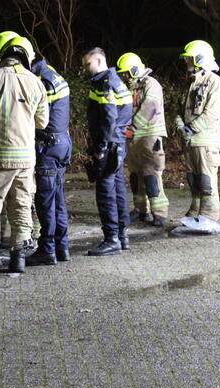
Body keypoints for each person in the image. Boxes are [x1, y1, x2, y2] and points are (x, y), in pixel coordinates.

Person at [0, 36, 49, 275]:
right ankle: (18, 260)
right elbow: (42, 122)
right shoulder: (36, 82)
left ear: (3, 55)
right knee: (21, 206)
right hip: (26, 159)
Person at [82, 47, 133, 255]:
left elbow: (109, 118)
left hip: (109, 145)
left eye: (88, 64)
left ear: (100, 61)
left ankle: (111, 238)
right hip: (118, 144)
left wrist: (100, 149)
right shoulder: (117, 82)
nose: (85, 69)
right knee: (119, 190)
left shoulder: (105, 84)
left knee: (105, 192)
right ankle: (122, 235)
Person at [26, 55, 72, 266]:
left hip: (48, 146)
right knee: (58, 200)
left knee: (45, 201)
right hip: (62, 143)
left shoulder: (40, 80)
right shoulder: (53, 75)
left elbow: (37, 116)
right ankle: (62, 248)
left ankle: (47, 249)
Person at [174, 40, 220, 221]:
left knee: (206, 180)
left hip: (205, 141)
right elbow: (181, 109)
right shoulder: (192, 82)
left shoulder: (215, 82)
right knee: (193, 179)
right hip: (190, 141)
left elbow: (211, 113)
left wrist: (190, 129)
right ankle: (195, 212)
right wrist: (180, 124)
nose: (187, 62)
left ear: (200, 60)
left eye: (190, 59)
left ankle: (209, 216)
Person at [116, 52, 169, 227]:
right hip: (133, 138)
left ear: (133, 70)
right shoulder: (131, 87)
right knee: (135, 175)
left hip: (149, 137)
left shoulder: (151, 84)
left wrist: (133, 128)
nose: (124, 76)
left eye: (125, 72)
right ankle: (140, 210)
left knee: (151, 176)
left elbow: (150, 108)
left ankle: (159, 213)